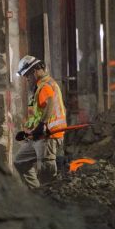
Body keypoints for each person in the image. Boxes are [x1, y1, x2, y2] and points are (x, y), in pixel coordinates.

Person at [13, 55, 67, 188]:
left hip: (48, 136)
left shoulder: (45, 86)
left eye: (27, 75)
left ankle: (49, 200)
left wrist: (42, 125)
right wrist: (27, 132)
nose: (27, 79)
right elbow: (37, 114)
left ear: (35, 70)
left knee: (46, 174)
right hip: (39, 136)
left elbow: (50, 104)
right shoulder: (41, 86)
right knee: (20, 160)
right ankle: (36, 193)